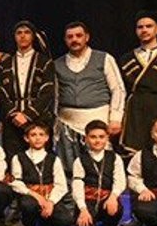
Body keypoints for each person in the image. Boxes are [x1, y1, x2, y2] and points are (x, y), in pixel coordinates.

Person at [54, 21, 126, 172]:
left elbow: (118, 89)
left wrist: (116, 118)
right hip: (67, 123)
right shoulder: (57, 64)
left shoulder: (104, 58)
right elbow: (55, 95)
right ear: (65, 40)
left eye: (78, 35)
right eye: (70, 37)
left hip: (97, 119)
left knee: (99, 166)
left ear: (87, 37)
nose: (74, 39)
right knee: (69, 167)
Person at [119, 11, 157, 155]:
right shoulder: (126, 58)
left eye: (149, 26)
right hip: (136, 108)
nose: (144, 30)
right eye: (140, 27)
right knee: (136, 151)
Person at [0, 21, 56, 157]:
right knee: (13, 159)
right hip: (12, 121)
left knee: (40, 158)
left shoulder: (45, 62)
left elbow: (47, 92)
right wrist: (13, 113)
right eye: (19, 33)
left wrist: (28, 114)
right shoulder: (5, 63)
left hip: (38, 120)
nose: (23, 36)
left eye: (27, 32)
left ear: (33, 36)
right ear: (14, 37)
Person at [10, 122, 72, 226]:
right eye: (33, 135)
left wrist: (50, 202)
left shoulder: (54, 159)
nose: (37, 138)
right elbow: (16, 182)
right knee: (28, 205)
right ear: (26, 138)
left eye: (41, 134)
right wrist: (35, 195)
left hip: (49, 196)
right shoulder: (18, 158)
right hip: (30, 197)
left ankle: (45, 223)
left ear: (47, 138)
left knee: (65, 220)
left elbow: (61, 185)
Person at [72, 120, 127, 226]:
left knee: (115, 208)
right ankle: (91, 224)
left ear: (107, 138)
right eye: (93, 137)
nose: (97, 140)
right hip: (88, 201)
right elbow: (77, 186)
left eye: (101, 137)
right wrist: (83, 209)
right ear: (86, 138)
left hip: (107, 199)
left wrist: (113, 197)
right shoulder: (80, 160)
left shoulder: (115, 158)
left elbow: (120, 180)